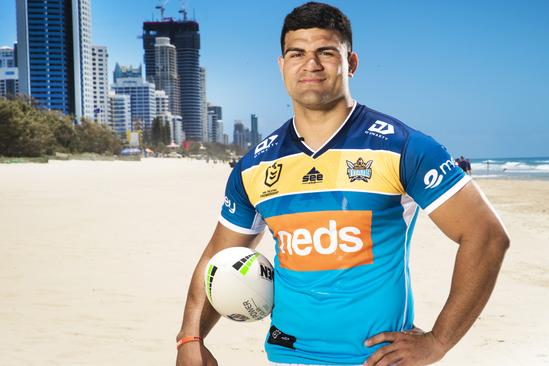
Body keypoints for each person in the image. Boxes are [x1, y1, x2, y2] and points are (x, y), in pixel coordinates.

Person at [176, 2, 509, 365]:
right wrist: (190, 337)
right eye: (297, 53)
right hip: (288, 357)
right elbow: (217, 257)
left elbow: (487, 235)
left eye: (326, 52)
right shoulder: (254, 166)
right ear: (282, 66)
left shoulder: (403, 147)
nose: (311, 64)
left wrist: (439, 341)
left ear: (350, 63)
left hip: (375, 359)